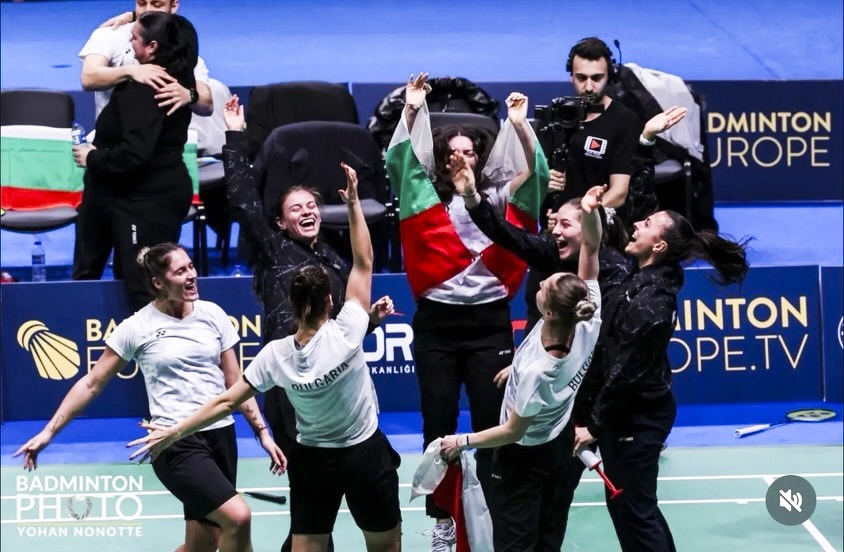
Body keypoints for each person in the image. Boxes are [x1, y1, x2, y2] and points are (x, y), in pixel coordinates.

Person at [129, 165, 402, 552]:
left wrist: (173, 432)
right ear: (331, 301)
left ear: (289, 303)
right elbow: (364, 260)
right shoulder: (349, 330)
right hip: (364, 453)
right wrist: (354, 203)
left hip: (312, 459)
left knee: (307, 545)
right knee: (385, 545)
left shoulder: (275, 356)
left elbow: (226, 401)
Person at [14, 242, 285, 552]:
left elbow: (235, 383)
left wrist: (262, 433)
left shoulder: (213, 314)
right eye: (180, 271)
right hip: (174, 442)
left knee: (202, 545)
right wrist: (49, 432)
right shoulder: (137, 327)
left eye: (191, 266)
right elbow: (92, 383)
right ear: (158, 282)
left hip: (220, 436)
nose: (191, 275)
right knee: (238, 518)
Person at [385, 73, 550, 551]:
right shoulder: (423, 198)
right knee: (438, 426)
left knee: (489, 425)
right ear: (441, 158)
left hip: (488, 325)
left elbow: (537, 174)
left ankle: (492, 516)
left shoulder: (498, 198)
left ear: (480, 157)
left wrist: (519, 125)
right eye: (452, 151)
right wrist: (411, 109)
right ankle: (443, 521)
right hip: (436, 326)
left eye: (470, 151)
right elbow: (399, 160)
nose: (461, 157)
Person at [222, 94, 393, 551]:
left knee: (327, 496)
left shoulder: (333, 259)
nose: (307, 212)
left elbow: (341, 325)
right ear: (280, 223)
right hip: (292, 387)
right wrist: (235, 136)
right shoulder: (274, 249)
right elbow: (242, 199)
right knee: (311, 498)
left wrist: (371, 321)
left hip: (333, 388)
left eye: (311, 205)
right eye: (295, 209)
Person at [439, 146, 605, 550]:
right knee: (549, 539)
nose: (542, 281)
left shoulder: (536, 371)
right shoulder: (588, 321)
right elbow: (592, 248)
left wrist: (461, 441)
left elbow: (513, 430)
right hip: (559, 444)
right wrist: (590, 212)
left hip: (523, 455)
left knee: (515, 543)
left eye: (544, 286)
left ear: (546, 311)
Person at [573, 210, 750, 551]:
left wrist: (594, 426)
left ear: (659, 246)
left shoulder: (653, 301)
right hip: (629, 413)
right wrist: (595, 213)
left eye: (648, 224)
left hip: (637, 418)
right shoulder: (640, 278)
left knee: (634, 512)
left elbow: (625, 371)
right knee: (634, 509)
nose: (637, 224)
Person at [72, 12, 199, 312]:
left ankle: (160, 342)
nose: (129, 42)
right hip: (114, 192)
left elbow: (134, 154)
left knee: (143, 288)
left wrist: (92, 157)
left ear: (152, 47)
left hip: (144, 200)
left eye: (135, 38)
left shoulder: (147, 90)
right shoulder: (179, 73)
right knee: (96, 273)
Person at [543, 37, 686, 219]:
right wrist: (542, 185)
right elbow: (527, 179)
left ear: (609, 77)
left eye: (597, 78)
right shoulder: (554, 114)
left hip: (598, 227)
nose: (589, 87)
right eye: (581, 78)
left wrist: (577, 219)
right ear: (571, 77)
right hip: (555, 226)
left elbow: (618, 194)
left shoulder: (625, 121)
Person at [80, 0, 212, 118]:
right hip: (111, 134)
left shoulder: (183, 49)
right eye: (141, 3)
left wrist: (190, 95)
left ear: (173, 6)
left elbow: (207, 105)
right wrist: (131, 71)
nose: (147, 10)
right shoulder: (111, 34)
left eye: (157, 4)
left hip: (165, 135)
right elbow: (89, 78)